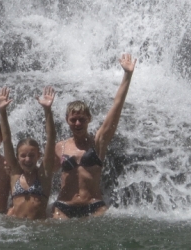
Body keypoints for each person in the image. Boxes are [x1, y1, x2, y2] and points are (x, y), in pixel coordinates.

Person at [51, 53, 136, 218]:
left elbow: (116, 107)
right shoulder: (59, 147)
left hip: (94, 206)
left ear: (89, 119)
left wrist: (127, 75)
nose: (77, 124)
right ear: (67, 120)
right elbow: (44, 175)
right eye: (73, 120)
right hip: (63, 207)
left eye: (81, 119)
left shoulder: (98, 142)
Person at [0, 85, 57, 220]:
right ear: (17, 157)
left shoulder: (44, 174)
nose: (27, 159)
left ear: (38, 156)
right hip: (18, 230)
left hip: (38, 229)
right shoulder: (15, 174)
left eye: (31, 155)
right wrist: (2, 111)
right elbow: (6, 140)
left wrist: (47, 110)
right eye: (23, 156)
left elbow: (51, 138)